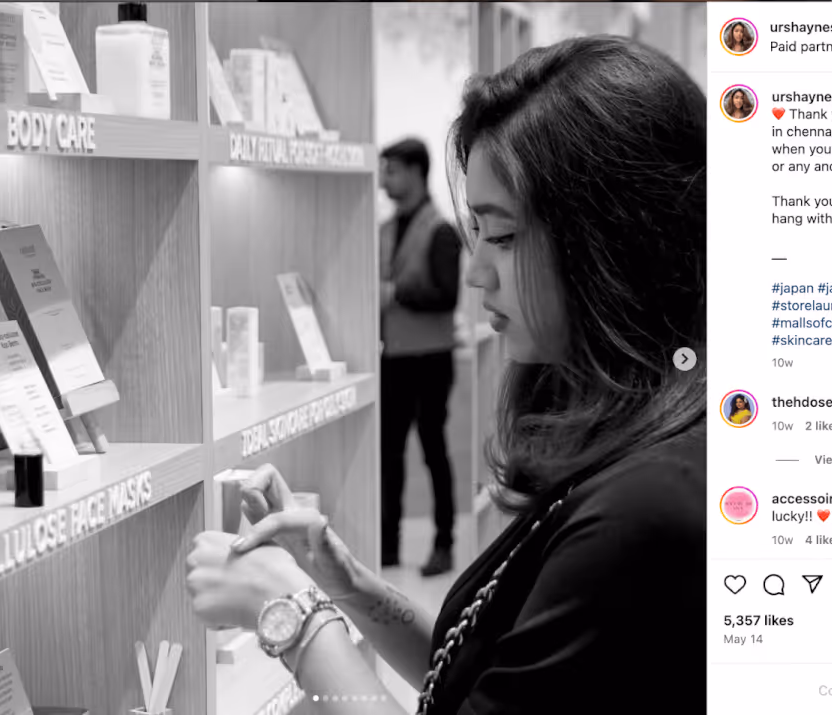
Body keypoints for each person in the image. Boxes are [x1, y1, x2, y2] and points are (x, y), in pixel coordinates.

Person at [186, 34, 706, 715]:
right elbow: (483, 671)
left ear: (615, 240)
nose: (477, 272)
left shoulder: (647, 507)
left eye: (504, 236)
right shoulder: (626, 448)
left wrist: (288, 612)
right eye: (478, 236)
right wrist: (344, 581)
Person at [378, 139, 460, 576]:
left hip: (431, 359)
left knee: (433, 450)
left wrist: (396, 293)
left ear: (415, 171)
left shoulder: (441, 230)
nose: (383, 180)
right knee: (388, 454)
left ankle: (444, 544)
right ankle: (386, 547)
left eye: (391, 171)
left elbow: (447, 296)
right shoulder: (384, 230)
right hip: (392, 357)